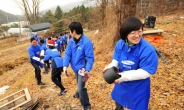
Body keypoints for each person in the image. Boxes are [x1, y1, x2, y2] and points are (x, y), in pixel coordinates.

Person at [103, 17, 158, 110]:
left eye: (139, 31)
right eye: (133, 33)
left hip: (138, 86)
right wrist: (110, 67)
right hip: (122, 83)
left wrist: (123, 76)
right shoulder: (120, 44)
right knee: (119, 102)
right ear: (125, 33)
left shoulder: (148, 50)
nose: (137, 35)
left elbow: (146, 72)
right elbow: (116, 60)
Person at [63, 22, 94, 110]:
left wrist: (87, 70)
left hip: (83, 69)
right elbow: (68, 54)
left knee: (81, 88)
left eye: (70, 31)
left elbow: (90, 58)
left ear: (74, 31)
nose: (69, 32)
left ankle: (86, 105)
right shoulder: (71, 41)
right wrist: (65, 65)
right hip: (75, 67)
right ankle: (78, 94)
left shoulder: (87, 42)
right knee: (78, 82)